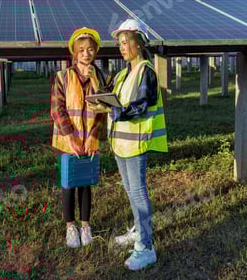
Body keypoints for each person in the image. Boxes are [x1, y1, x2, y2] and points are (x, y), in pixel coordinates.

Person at [107, 19, 168, 270]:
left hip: (136, 142)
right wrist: (101, 102)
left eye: (126, 42)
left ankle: (146, 247)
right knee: (131, 191)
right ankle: (138, 231)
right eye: (120, 43)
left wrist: (117, 111)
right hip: (120, 143)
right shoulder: (123, 73)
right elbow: (112, 96)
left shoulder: (146, 71)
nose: (122, 47)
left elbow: (141, 105)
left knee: (139, 192)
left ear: (139, 44)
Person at [50, 27, 112, 248]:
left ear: (95, 51)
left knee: (85, 183)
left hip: (90, 141)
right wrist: (71, 138)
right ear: (74, 52)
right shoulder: (62, 77)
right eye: (81, 50)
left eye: (90, 49)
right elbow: (57, 110)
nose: (86, 54)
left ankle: (85, 225)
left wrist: (91, 138)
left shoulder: (102, 77)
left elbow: (103, 111)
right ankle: (70, 227)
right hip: (67, 142)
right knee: (68, 184)